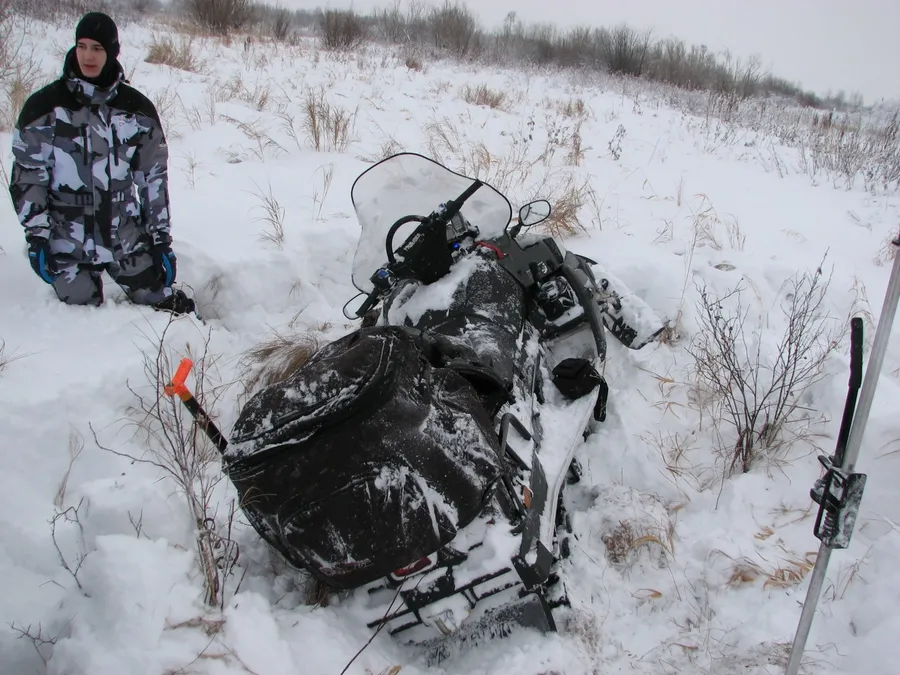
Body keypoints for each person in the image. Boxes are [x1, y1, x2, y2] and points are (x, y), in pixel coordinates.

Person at [9, 11, 194, 314]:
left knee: (163, 302)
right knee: (80, 311)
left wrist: (160, 240)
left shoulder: (137, 111)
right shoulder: (44, 109)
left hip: (124, 236)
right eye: (81, 46)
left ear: (111, 52)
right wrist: (37, 237)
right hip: (66, 239)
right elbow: (29, 178)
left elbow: (153, 180)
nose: (87, 56)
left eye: (97, 48)